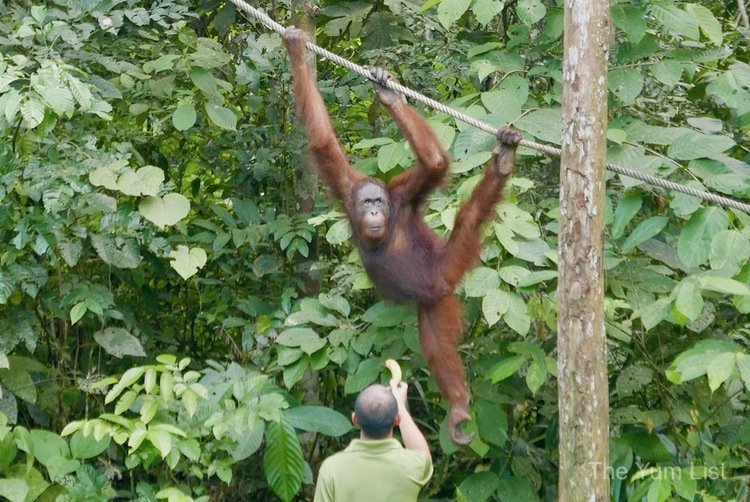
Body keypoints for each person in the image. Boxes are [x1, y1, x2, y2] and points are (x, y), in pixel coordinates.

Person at [313, 381, 433, 501]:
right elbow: (423, 452)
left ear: (355, 419)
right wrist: (400, 406)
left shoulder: (332, 469)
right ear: (397, 420)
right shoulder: (412, 465)